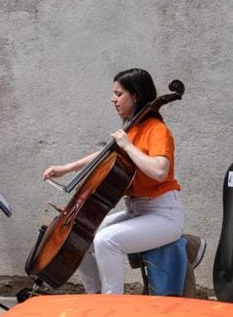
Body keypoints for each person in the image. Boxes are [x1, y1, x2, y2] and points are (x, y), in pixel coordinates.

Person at [41, 68, 185, 294]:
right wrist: (66, 168)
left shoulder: (157, 130)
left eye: (119, 94)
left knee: (106, 240)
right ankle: (96, 297)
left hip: (164, 213)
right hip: (136, 210)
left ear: (136, 95)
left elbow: (160, 171)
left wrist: (127, 145)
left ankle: (112, 305)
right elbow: (105, 155)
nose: (113, 99)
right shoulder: (133, 128)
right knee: (80, 237)